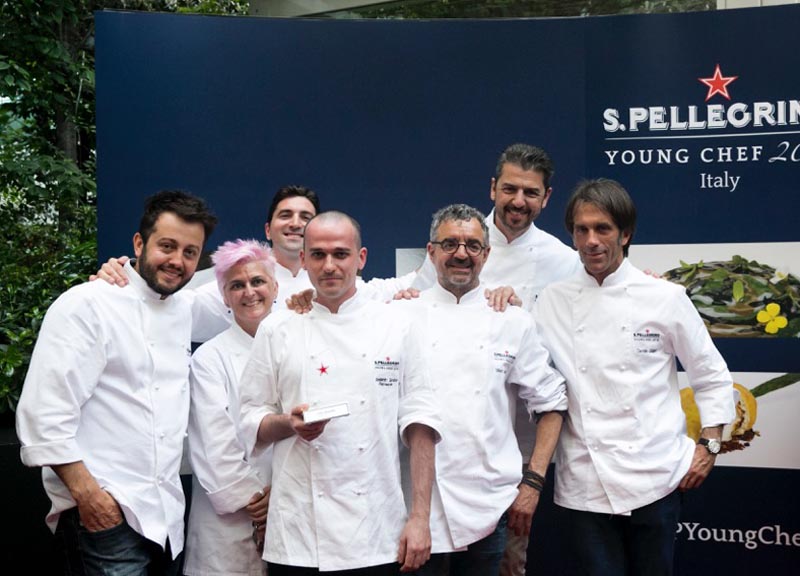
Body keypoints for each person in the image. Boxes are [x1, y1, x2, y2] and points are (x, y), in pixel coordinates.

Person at [534, 178, 735, 576]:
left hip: (656, 478)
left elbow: (710, 374)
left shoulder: (664, 297)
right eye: (581, 230)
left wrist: (710, 445)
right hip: (585, 482)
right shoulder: (551, 301)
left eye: (603, 229)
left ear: (625, 234)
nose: (591, 241)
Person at [15, 190, 218, 575]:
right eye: (167, 246)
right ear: (139, 244)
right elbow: (44, 415)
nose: (177, 261)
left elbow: (255, 286)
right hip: (106, 517)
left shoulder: (184, 307)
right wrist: (91, 498)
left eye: (190, 252)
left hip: (166, 516)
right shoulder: (87, 304)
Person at [409, 143, 581, 576]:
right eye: (509, 189)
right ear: (493, 189)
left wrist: (532, 479)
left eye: (530, 192)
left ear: (546, 197)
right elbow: (412, 295)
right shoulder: (455, 235)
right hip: (432, 455)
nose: (518, 201)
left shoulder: (564, 261)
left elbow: (601, 300)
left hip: (512, 452)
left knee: (508, 565)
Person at [237, 211, 441, 575]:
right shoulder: (277, 328)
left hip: (377, 530)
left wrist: (420, 518)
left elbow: (421, 423)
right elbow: (250, 419)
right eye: (318, 254)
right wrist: (289, 423)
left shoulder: (397, 325)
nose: (329, 265)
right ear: (303, 260)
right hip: (299, 533)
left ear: (361, 258)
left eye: (341, 254)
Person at [183, 239, 278, 576]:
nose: (249, 292)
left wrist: (282, 498)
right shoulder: (209, 358)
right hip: (228, 527)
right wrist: (260, 505)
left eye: (258, 281)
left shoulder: (299, 346)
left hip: (290, 513)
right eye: (236, 285)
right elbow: (214, 447)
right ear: (224, 296)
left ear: (275, 287)